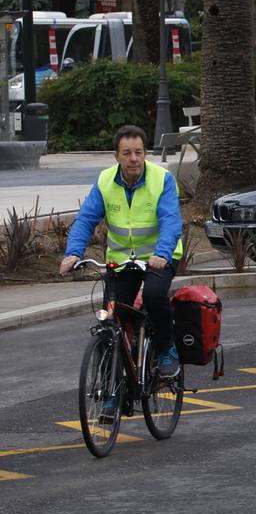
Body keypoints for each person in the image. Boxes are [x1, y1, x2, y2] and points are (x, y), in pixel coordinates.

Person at [61, 125, 185, 379]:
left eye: (139, 152)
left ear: (145, 154)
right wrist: (73, 253)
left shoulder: (162, 179)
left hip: (159, 258)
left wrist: (162, 254)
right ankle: (109, 393)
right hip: (121, 262)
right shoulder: (105, 181)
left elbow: (171, 220)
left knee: (153, 294)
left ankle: (166, 349)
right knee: (109, 320)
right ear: (116, 156)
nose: (134, 159)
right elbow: (86, 219)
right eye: (127, 153)